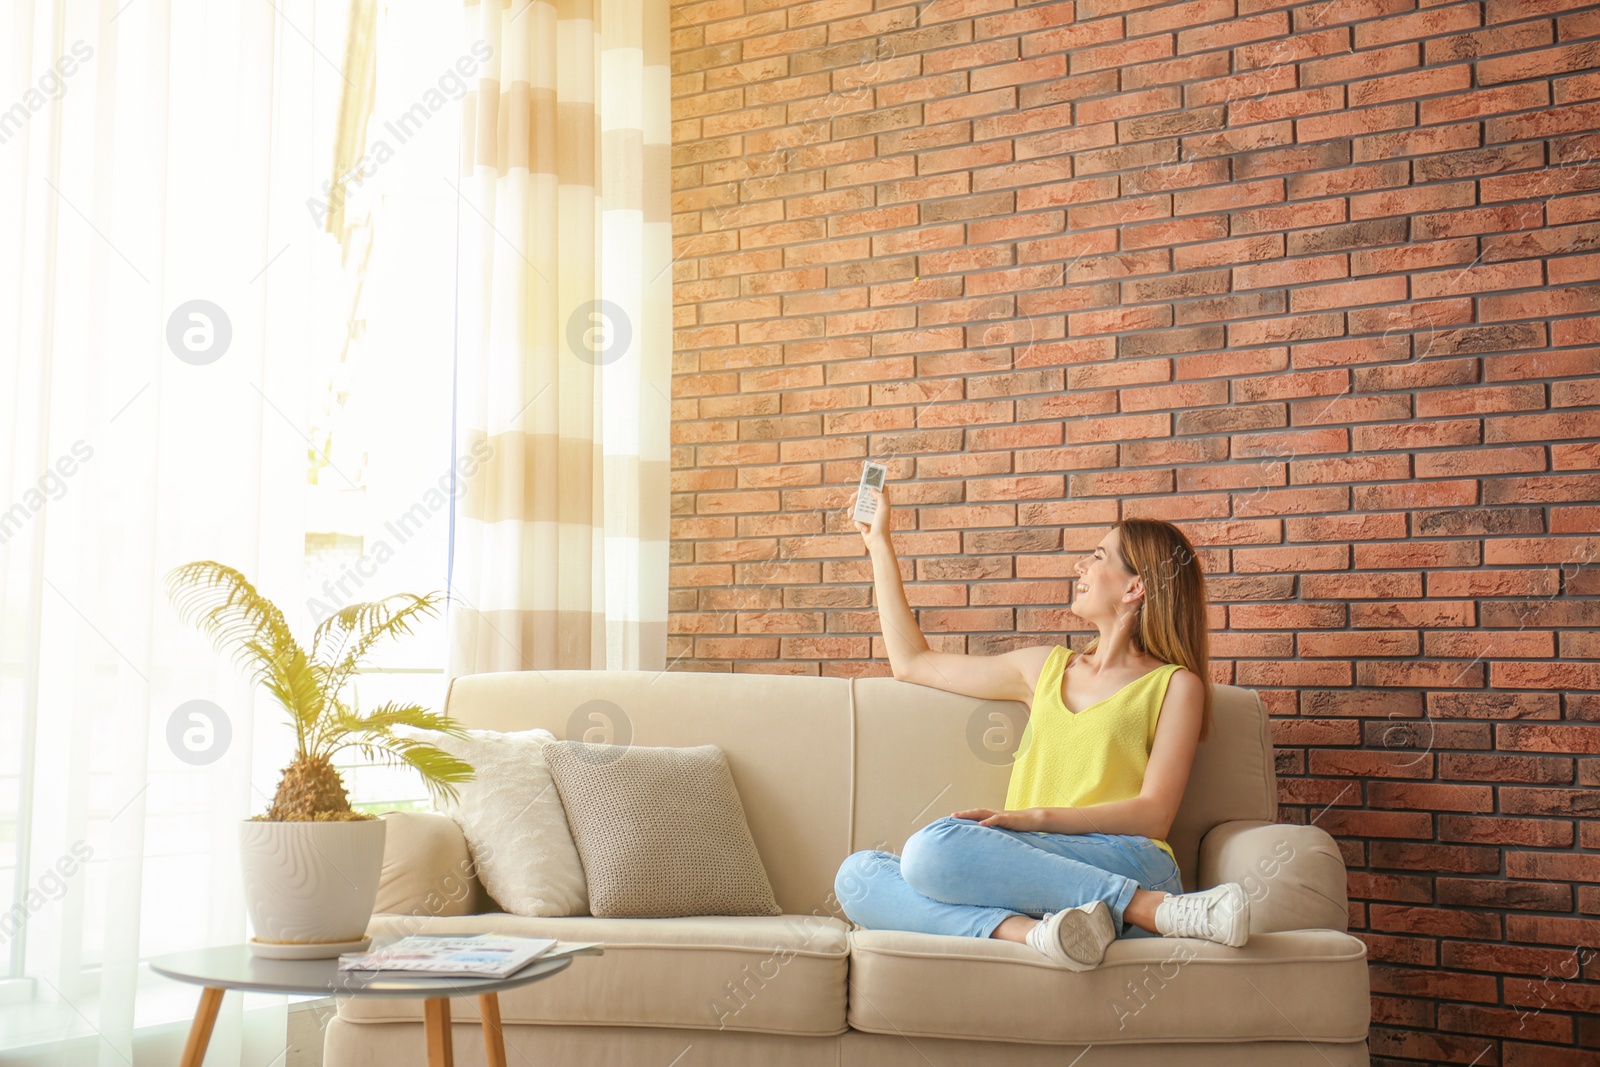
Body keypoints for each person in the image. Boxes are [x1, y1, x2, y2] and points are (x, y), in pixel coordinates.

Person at [832, 483, 1250, 970]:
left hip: (1127, 859)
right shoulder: (1043, 669)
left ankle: (1144, 904)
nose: (1081, 566)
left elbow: (1154, 815)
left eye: (1097, 557)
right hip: (1030, 876)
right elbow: (912, 661)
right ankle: (1041, 935)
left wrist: (1033, 818)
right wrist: (879, 542)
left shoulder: (1176, 685)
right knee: (856, 875)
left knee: (932, 848)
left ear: (1135, 587)